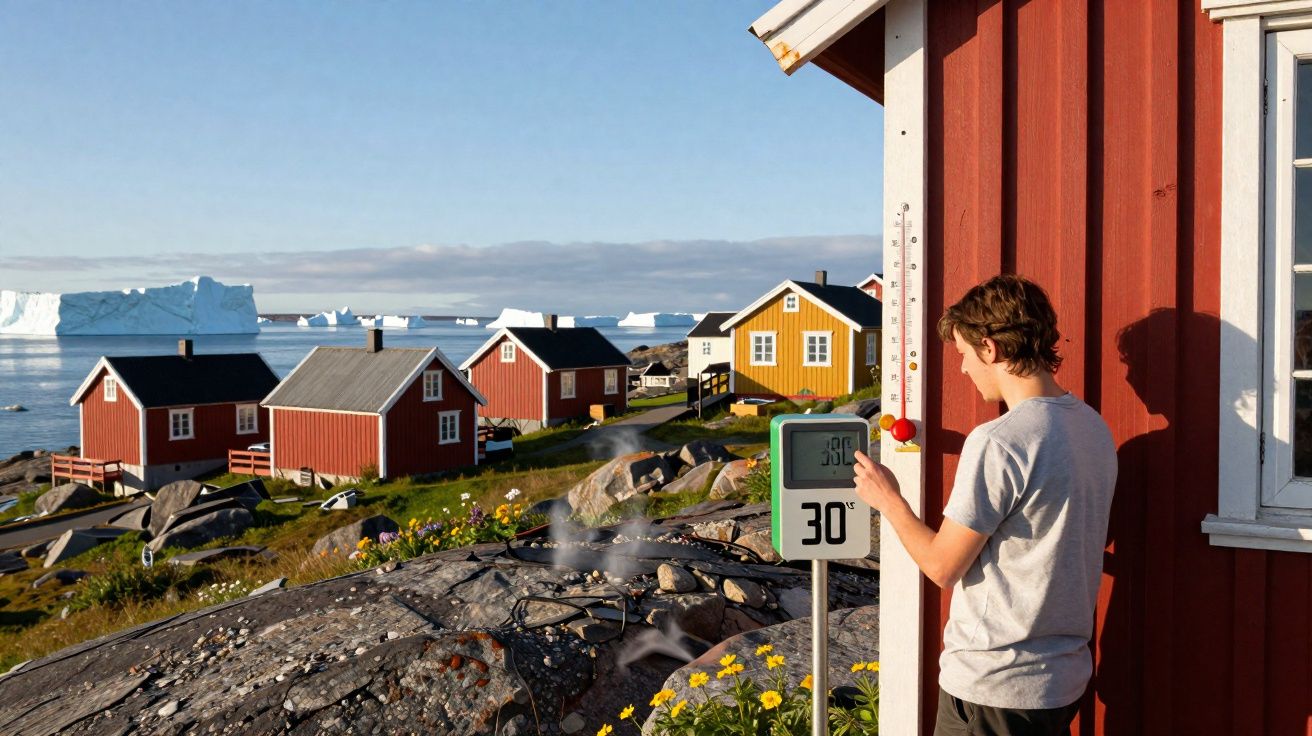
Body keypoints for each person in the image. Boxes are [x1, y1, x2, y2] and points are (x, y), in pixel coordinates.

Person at [853, 274, 1117, 736]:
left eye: (963, 354)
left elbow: (942, 566)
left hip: (994, 689)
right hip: (1061, 681)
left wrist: (888, 499)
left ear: (990, 349)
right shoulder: (1093, 428)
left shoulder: (1000, 441)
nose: (962, 369)